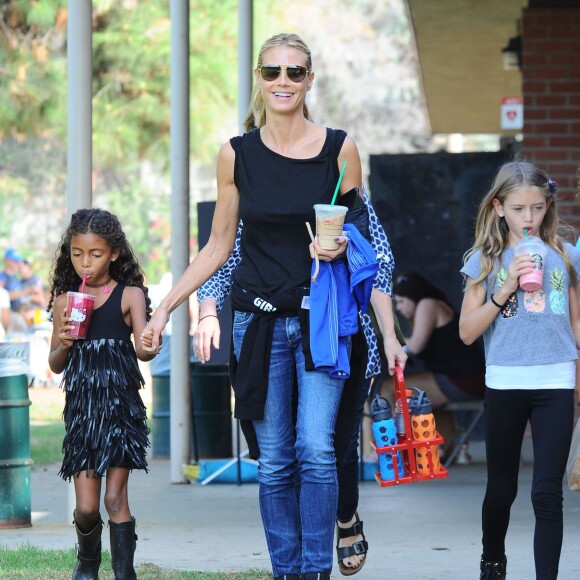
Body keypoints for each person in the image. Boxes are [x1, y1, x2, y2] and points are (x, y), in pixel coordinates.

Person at [143, 33, 406, 580]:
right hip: (257, 322)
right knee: (276, 458)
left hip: (324, 321)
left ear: (310, 79)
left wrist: (339, 247)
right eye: (272, 72)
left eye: (294, 72)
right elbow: (218, 245)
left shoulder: (341, 149)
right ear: (260, 80)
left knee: (316, 449)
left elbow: (365, 242)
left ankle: (314, 571)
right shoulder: (235, 155)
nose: (283, 81)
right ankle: (286, 571)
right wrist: (169, 306)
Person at [195, 186, 406, 576]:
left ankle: (343, 520)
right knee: (280, 454)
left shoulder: (340, 186)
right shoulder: (253, 191)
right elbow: (221, 259)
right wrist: (208, 311)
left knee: (326, 445)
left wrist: (390, 335)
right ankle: (293, 564)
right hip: (268, 329)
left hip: (337, 332)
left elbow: (378, 264)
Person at [459, 161, 580, 580]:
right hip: (506, 381)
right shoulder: (484, 261)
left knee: (548, 492)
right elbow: (466, 333)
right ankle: (493, 558)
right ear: (498, 207)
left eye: (538, 207)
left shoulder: (565, 255)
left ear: (548, 206)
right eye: (518, 209)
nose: (529, 218)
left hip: (557, 382)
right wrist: (505, 287)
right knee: (502, 490)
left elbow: (575, 325)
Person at [48, 208, 157, 580]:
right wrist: (63, 342)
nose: (85, 263)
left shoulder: (130, 296)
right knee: (88, 508)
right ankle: (88, 561)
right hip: (83, 412)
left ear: (113, 253)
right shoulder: (65, 301)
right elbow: (55, 363)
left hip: (119, 409)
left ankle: (124, 573)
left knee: (115, 499)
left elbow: (142, 350)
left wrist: (150, 343)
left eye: (95, 254)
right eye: (77, 254)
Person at [387, 270, 486, 448]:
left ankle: (386, 450)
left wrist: (388, 340)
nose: (398, 308)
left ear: (414, 296)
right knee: (425, 394)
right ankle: (443, 450)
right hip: (468, 378)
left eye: (401, 301)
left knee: (388, 387)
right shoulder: (428, 305)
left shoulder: (427, 304)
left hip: (463, 379)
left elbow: (415, 346)